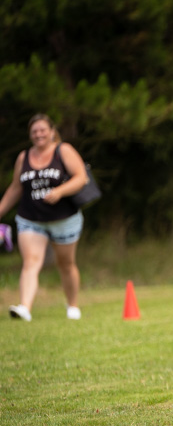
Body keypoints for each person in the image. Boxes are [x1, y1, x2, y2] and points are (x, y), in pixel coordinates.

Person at [0, 114, 89, 321]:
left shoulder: (63, 151)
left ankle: (73, 305)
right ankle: (24, 307)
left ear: (51, 131)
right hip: (31, 219)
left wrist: (60, 192)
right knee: (31, 262)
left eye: (42, 130)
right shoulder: (24, 157)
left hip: (64, 219)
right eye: (34, 131)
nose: (38, 134)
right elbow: (15, 188)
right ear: (30, 135)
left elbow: (81, 178)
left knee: (66, 264)